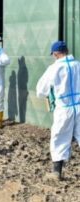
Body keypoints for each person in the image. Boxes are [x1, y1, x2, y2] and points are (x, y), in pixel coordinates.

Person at [36, 41, 80, 180]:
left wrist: (50, 93)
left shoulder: (54, 68)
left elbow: (41, 91)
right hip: (79, 105)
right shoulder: (78, 65)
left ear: (55, 53)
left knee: (59, 138)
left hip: (64, 108)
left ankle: (56, 172)